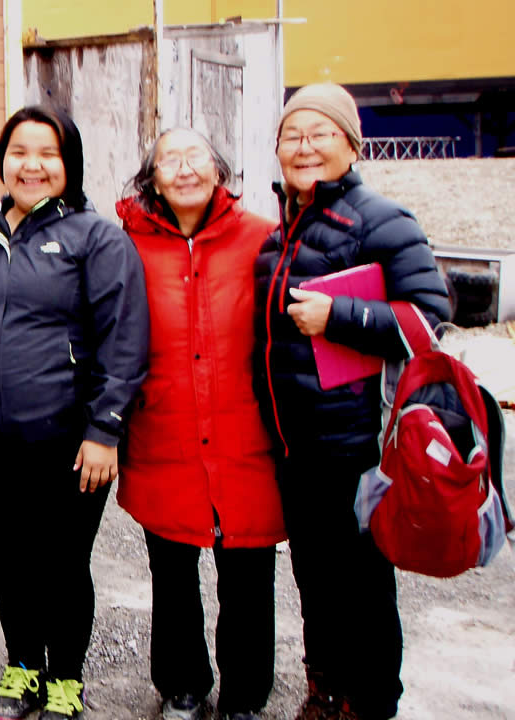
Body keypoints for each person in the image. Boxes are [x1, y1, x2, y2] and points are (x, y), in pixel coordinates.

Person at [0, 106, 149, 720]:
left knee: (62, 564)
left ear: (69, 164)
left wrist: (105, 430)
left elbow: (125, 338)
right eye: (19, 152)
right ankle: (22, 667)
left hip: (68, 442)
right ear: (2, 159)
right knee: (12, 561)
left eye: (48, 154)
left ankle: (66, 679)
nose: (31, 165)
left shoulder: (97, 237)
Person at [254, 83, 450, 720]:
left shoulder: (382, 219)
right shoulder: (279, 234)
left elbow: (430, 324)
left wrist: (340, 316)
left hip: (361, 445)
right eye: (292, 136)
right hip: (295, 446)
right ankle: (326, 689)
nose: (304, 148)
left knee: (364, 585)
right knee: (315, 579)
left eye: (320, 134)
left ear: (350, 143)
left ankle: (370, 703)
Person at [116, 129, 283, 720]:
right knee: (172, 573)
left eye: (196, 157)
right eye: (169, 160)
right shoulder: (126, 244)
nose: (184, 169)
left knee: (248, 575)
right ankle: (182, 685)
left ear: (219, 169)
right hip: (164, 431)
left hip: (246, 435)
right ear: (151, 178)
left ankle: (244, 695)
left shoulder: (263, 237)